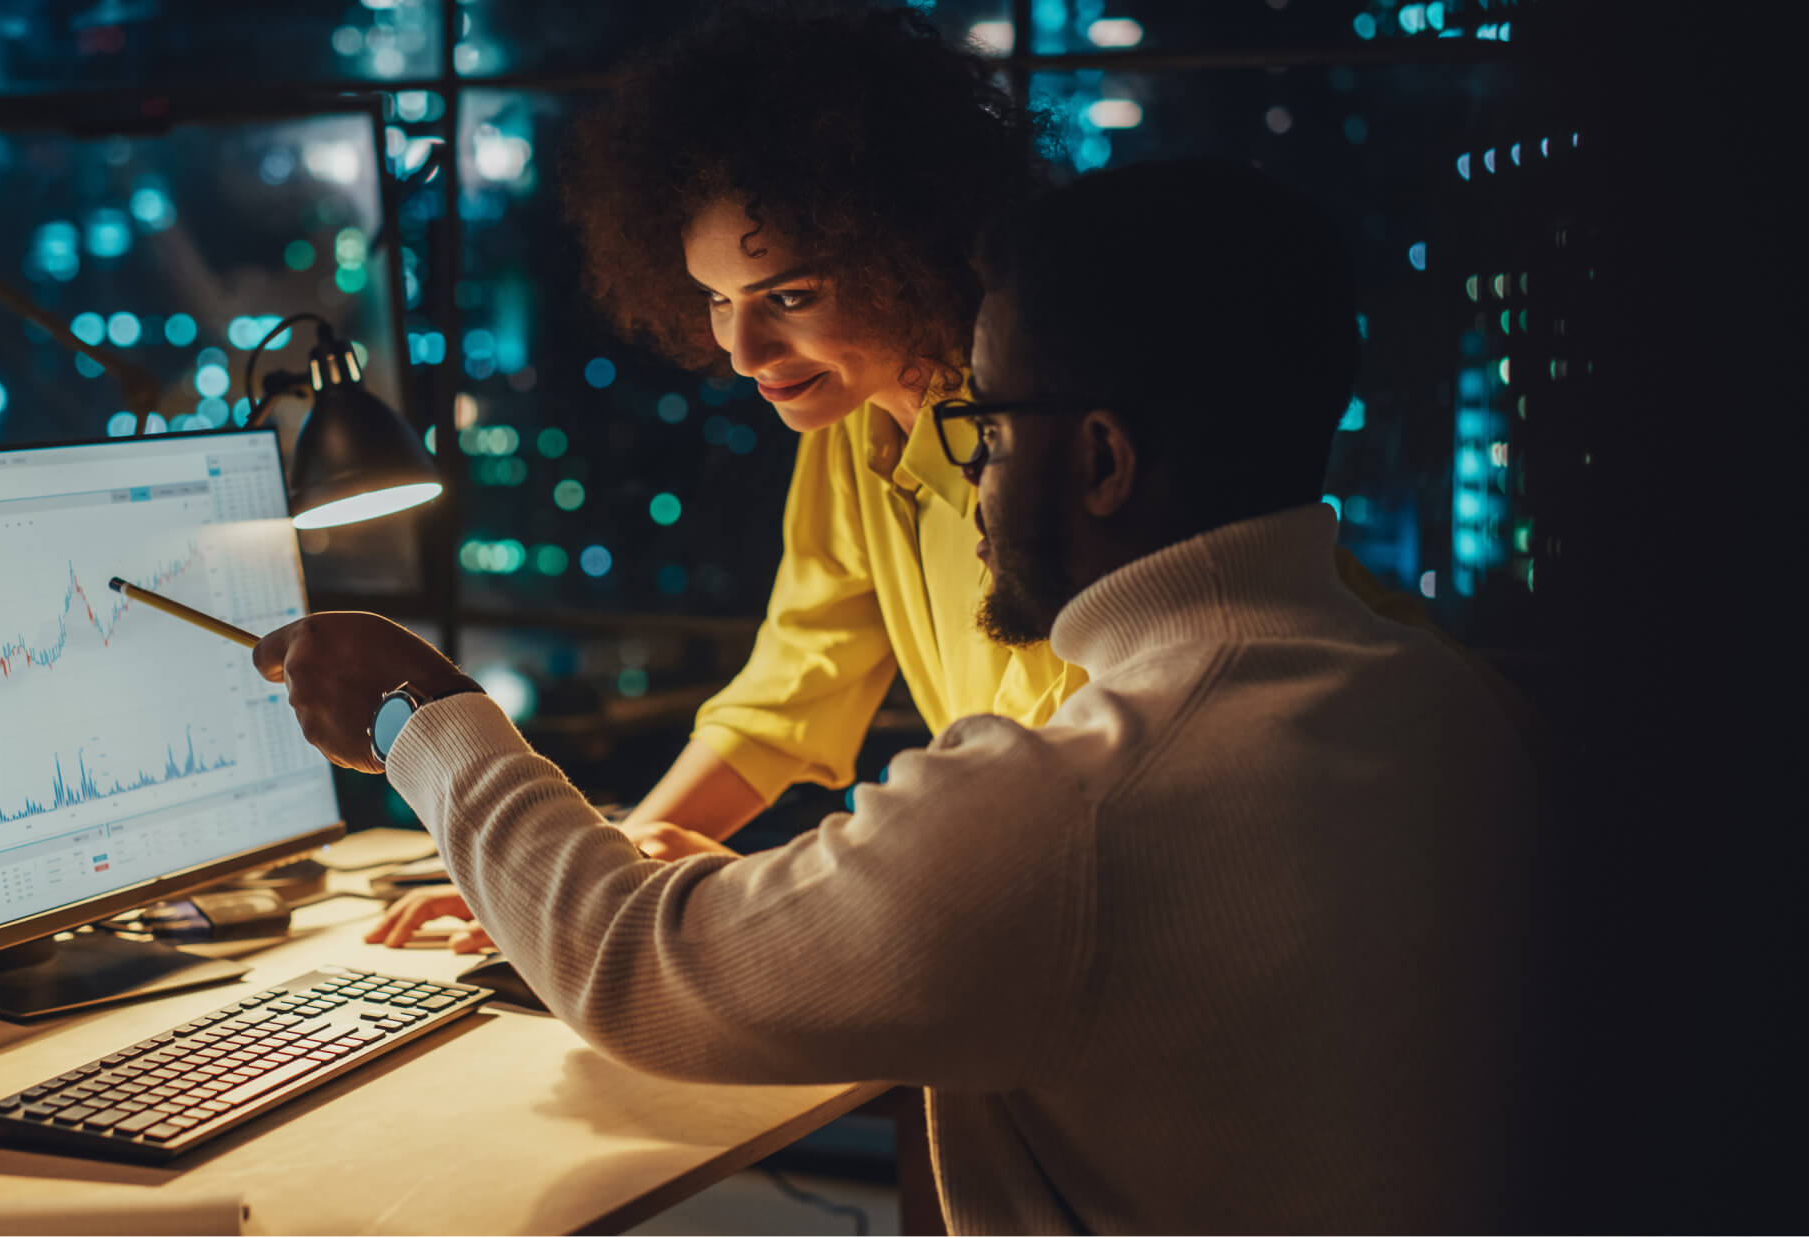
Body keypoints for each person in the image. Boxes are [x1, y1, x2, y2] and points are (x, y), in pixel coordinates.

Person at [258, 161, 1540, 1231]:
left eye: (984, 427)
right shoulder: (1444, 707)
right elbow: (795, 695)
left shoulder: (1067, 796)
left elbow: (646, 970)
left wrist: (420, 710)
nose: (963, 478)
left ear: (1099, 455)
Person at [367, 4, 1439, 952]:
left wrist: (606, 900)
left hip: (1336, 818)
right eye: (713, 300)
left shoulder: (1044, 442)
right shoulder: (847, 423)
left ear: (904, 246)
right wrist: (606, 866)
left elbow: (1042, 779)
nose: (740, 351)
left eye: (788, 294)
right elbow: (795, 685)